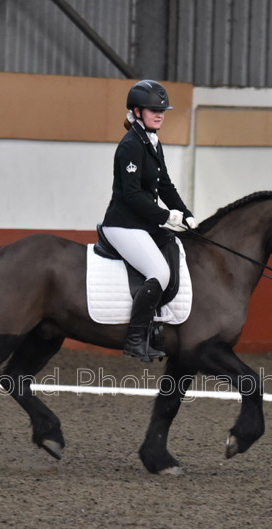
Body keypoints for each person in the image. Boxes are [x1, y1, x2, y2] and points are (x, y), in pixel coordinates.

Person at [100, 79, 198, 361]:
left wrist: (187, 214)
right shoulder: (131, 145)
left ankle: (158, 328)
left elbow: (165, 186)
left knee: (174, 250)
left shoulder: (152, 142)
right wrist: (166, 216)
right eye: (154, 110)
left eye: (162, 110)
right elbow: (131, 195)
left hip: (143, 224)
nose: (160, 115)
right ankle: (134, 338)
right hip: (122, 225)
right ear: (136, 111)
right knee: (160, 273)